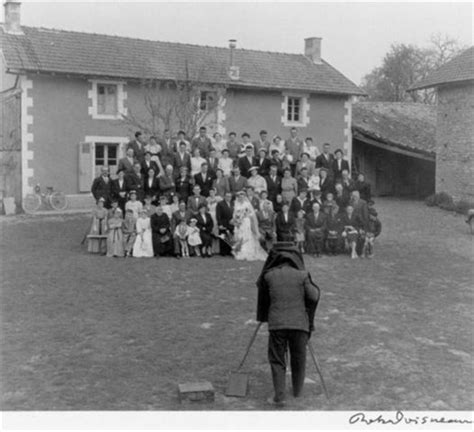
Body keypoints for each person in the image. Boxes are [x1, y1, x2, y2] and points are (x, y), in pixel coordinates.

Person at [256, 243, 320, 407]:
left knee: (277, 360)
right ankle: (297, 391)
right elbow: (313, 296)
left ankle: (280, 397)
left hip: (277, 324)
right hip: (299, 325)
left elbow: (263, 300)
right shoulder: (302, 275)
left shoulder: (269, 275)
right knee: (299, 358)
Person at [232, 190, 267, 261]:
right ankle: (240, 251)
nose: (241, 198)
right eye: (239, 197)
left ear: (244, 197)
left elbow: (252, 214)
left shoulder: (247, 204)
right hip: (239, 223)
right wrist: (236, 219)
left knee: (247, 235)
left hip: (246, 221)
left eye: (242, 197)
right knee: (240, 236)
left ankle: (248, 252)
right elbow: (234, 214)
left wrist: (245, 216)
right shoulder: (236, 204)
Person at [216, 191, 234, 256]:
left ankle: (230, 251)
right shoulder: (220, 204)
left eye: (230, 196)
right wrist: (220, 224)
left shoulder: (233, 203)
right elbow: (218, 215)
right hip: (223, 223)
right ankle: (223, 252)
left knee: (230, 238)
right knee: (223, 238)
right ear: (224, 197)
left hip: (232, 224)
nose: (228, 198)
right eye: (227, 196)